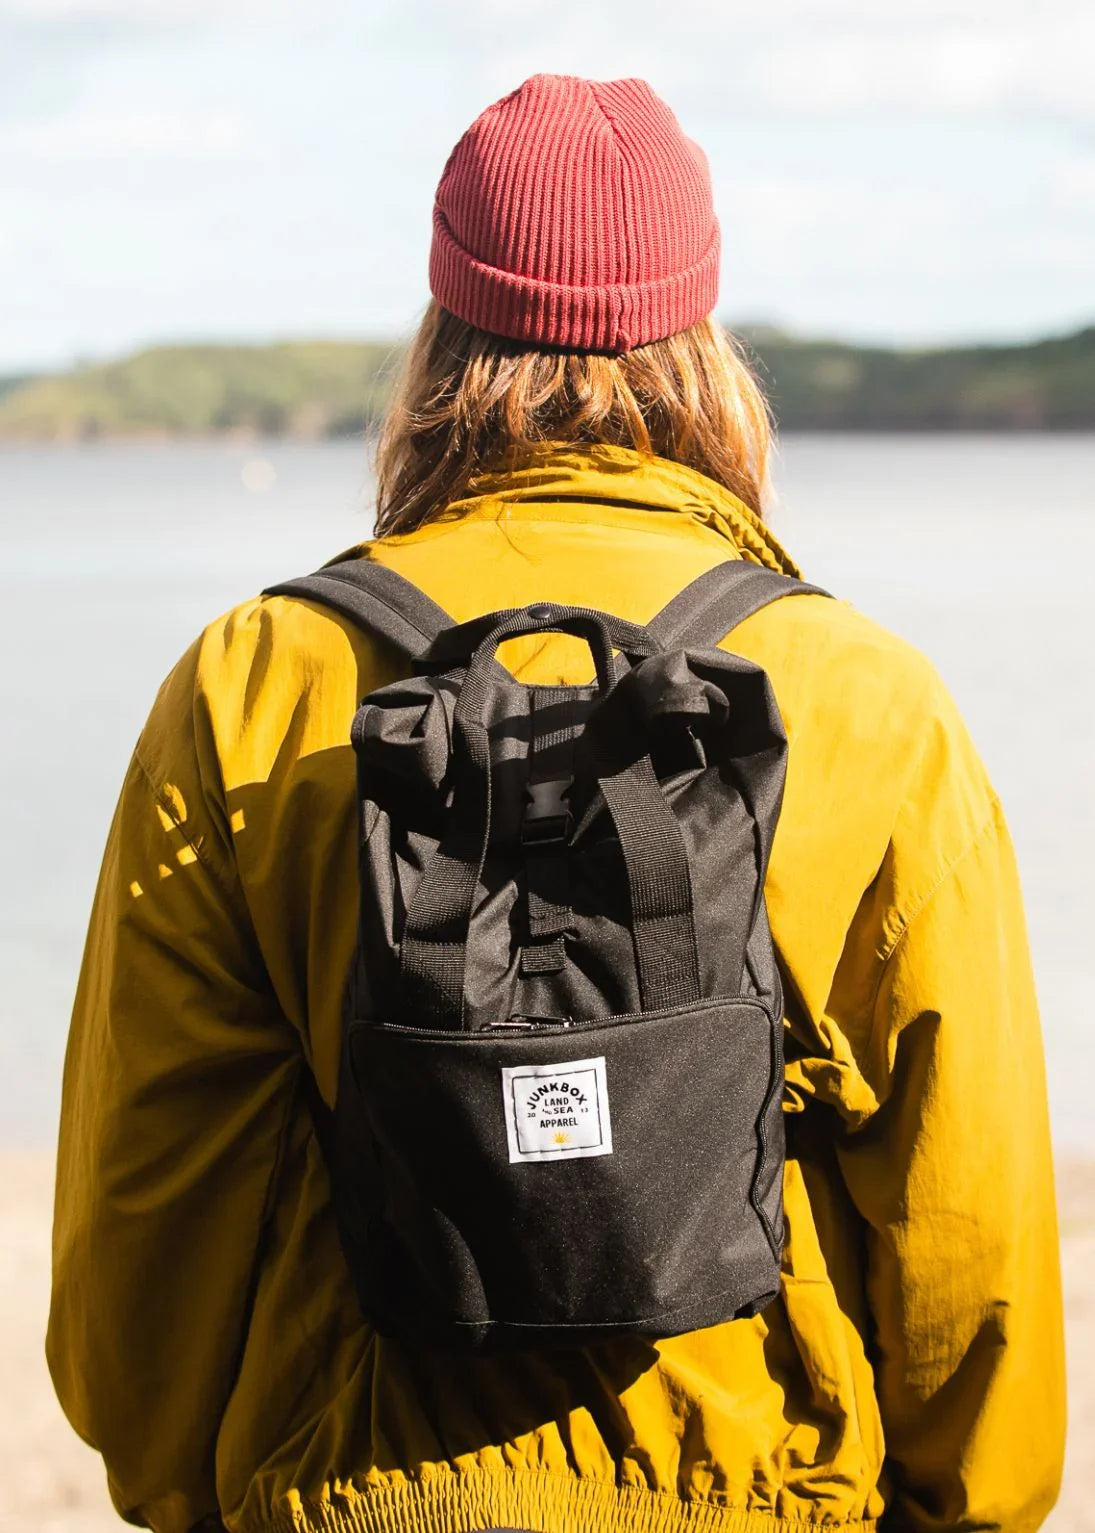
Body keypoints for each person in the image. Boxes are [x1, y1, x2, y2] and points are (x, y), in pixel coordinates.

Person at [49, 73, 1065, 1533]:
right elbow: (971, 1238)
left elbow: (145, 1223)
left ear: (442, 330)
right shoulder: (863, 698)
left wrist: (189, 1486)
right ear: (703, 340)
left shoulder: (250, 686)